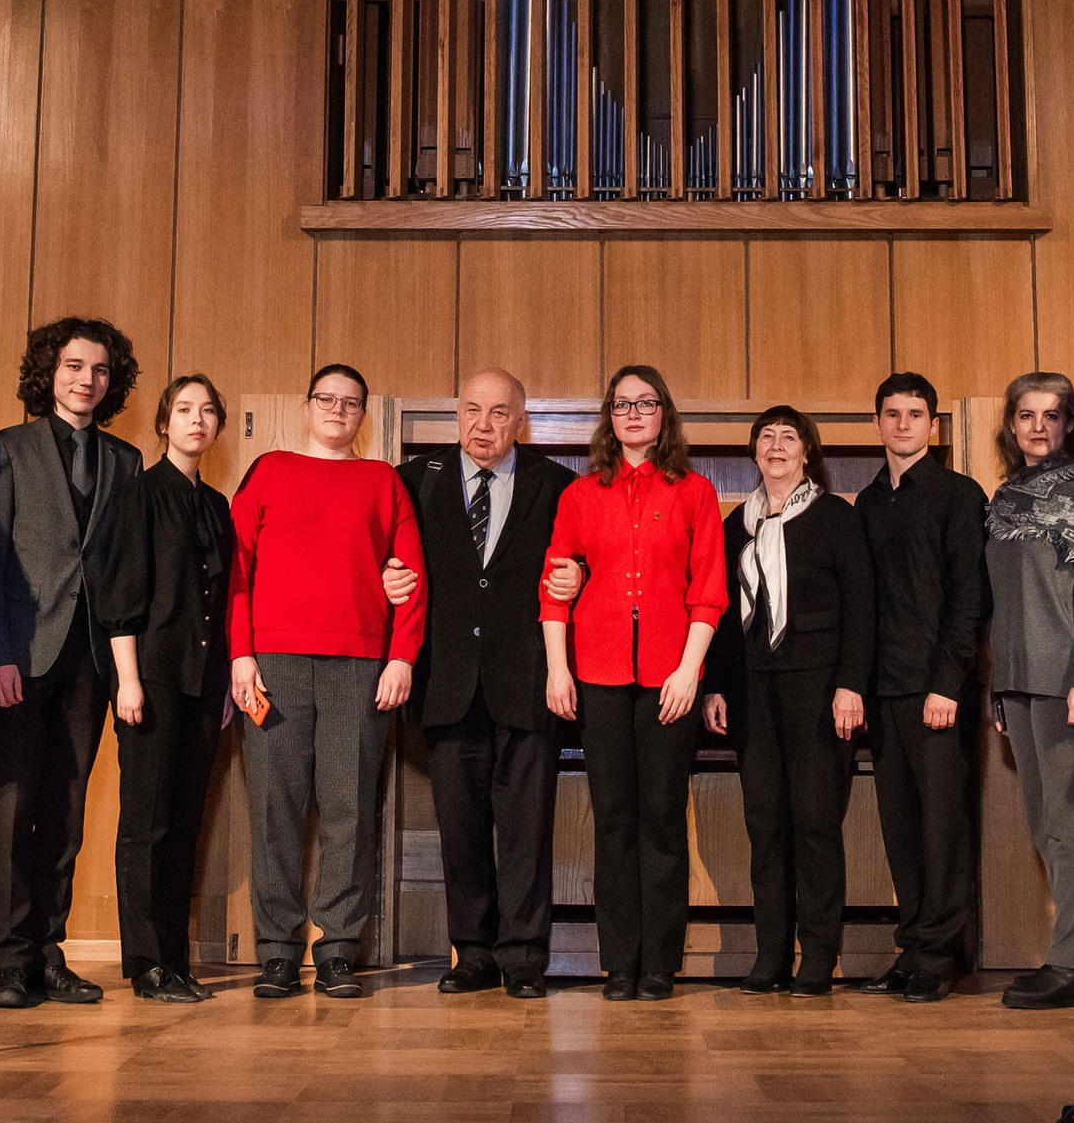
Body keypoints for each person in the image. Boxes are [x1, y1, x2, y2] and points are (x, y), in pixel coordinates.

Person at [228, 361, 427, 1000]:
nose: (338, 410)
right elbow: (236, 570)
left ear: (364, 416)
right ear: (307, 405)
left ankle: (339, 948)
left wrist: (401, 657)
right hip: (275, 665)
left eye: (351, 403)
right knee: (274, 810)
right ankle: (277, 952)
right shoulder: (270, 471)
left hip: (361, 666)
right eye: (327, 398)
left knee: (349, 810)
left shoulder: (383, 482)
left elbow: (412, 576)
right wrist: (240, 655)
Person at [0, 317, 151, 1012]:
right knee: (14, 811)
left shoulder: (126, 460)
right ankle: (10, 963)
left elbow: (118, 568)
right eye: (74, 365)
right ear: (49, 372)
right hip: (22, 655)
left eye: (100, 369)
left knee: (68, 813)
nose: (87, 379)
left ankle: (50, 955)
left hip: (91, 661)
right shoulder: (7, 448)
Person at [540, 364, 726, 1002]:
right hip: (599, 674)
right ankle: (619, 962)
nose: (634, 413)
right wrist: (559, 669)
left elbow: (708, 594)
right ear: (609, 417)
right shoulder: (581, 494)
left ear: (664, 415)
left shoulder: (695, 492)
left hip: (671, 677)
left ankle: (659, 966)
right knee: (614, 820)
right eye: (622, 404)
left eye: (646, 403)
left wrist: (688, 671)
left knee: (663, 820)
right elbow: (554, 586)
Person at [406, 368, 569, 1000]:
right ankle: (472, 951)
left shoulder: (556, 485)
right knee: (461, 827)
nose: (484, 425)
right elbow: (392, 559)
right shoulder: (418, 481)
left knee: (527, 829)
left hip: (527, 681)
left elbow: (578, 560)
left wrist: (575, 574)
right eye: (473, 410)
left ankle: (525, 955)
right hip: (446, 683)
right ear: (456, 416)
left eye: (500, 413)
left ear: (520, 420)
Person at [703, 404, 875, 995]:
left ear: (807, 454)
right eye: (766, 437)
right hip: (752, 690)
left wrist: (852, 684)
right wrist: (716, 686)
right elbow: (722, 618)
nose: (776, 445)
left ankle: (819, 958)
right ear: (753, 452)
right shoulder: (735, 526)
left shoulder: (835, 518)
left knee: (816, 825)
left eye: (788, 437)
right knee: (765, 826)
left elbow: (862, 609)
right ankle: (770, 955)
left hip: (820, 689)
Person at [986, 371, 1074, 1013]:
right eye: (1026, 415)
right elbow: (1002, 604)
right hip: (1017, 679)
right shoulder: (1006, 495)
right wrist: (996, 689)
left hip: (1065, 680)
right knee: (1047, 825)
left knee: (1069, 825)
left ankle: (1070, 965)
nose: (1038, 426)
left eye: (1052, 415)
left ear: (1070, 425)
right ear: (1011, 426)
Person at [853, 371, 987, 1000]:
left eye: (915, 414)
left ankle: (938, 953)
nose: (902, 424)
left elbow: (968, 598)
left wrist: (947, 682)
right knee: (900, 825)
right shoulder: (870, 502)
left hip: (938, 690)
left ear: (932, 426)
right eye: (891, 413)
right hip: (884, 689)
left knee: (942, 826)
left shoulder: (960, 495)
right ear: (877, 423)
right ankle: (912, 947)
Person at [116, 371, 235, 1002]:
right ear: (164, 423)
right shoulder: (140, 495)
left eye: (208, 411)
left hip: (201, 683)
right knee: (146, 825)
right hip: (151, 680)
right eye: (184, 409)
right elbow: (121, 599)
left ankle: (174, 957)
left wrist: (219, 688)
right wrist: (127, 681)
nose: (197, 420)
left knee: (185, 824)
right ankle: (145, 962)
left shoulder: (215, 505)